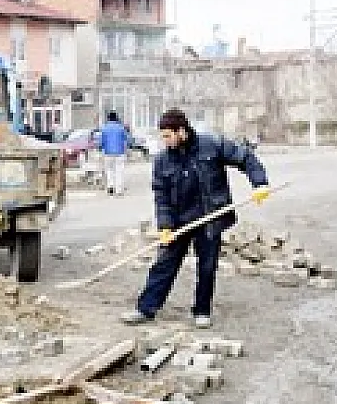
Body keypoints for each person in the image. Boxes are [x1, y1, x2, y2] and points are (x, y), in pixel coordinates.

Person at [122, 108, 271, 329]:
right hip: (179, 221)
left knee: (207, 267)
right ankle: (146, 309)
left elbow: (245, 157)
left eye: (167, 135)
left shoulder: (211, 144)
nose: (164, 141)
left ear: (181, 131)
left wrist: (259, 183)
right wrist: (165, 225)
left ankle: (202, 311)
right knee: (164, 265)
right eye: (162, 136)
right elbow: (161, 195)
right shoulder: (163, 160)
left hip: (210, 218)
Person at [99, 111, 129, 195]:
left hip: (108, 153)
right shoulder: (121, 128)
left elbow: (101, 141)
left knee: (109, 170)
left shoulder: (104, 128)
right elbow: (127, 140)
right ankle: (119, 190)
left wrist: (102, 148)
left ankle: (110, 187)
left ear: (108, 118)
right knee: (119, 171)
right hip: (120, 153)